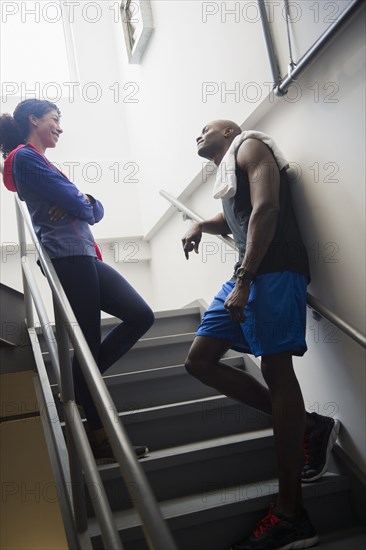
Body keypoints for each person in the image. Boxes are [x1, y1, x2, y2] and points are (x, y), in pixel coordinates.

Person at [181, 120, 340, 549]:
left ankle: (292, 514)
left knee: (275, 367)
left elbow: (267, 208)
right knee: (199, 360)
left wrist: (247, 276)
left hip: (271, 270)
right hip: (247, 273)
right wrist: (201, 226)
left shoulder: (250, 146)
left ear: (230, 131)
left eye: (206, 127)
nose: (197, 133)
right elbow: (236, 215)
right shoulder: (230, 170)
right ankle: (310, 425)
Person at [0, 99, 154, 464]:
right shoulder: (25, 157)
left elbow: (91, 208)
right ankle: (101, 437)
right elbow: (83, 208)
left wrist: (83, 200)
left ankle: (76, 381)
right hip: (66, 256)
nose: (60, 127)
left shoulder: (41, 161)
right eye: (55, 120)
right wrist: (80, 202)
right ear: (33, 119)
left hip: (84, 254)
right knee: (87, 344)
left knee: (140, 315)